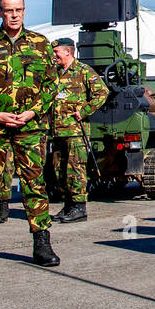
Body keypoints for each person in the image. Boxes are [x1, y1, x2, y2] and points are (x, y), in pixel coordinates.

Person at [0, 0, 59, 271]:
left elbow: (52, 85)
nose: (14, 15)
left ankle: (41, 241)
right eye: (8, 10)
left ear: (25, 10)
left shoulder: (41, 44)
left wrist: (33, 111)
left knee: (34, 182)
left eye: (18, 9)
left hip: (29, 126)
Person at [46, 38, 109, 224]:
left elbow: (102, 92)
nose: (54, 55)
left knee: (75, 169)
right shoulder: (55, 73)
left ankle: (79, 208)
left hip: (75, 131)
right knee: (59, 170)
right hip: (57, 131)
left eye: (56, 52)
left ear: (67, 52)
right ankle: (67, 205)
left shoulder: (83, 71)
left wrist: (84, 111)